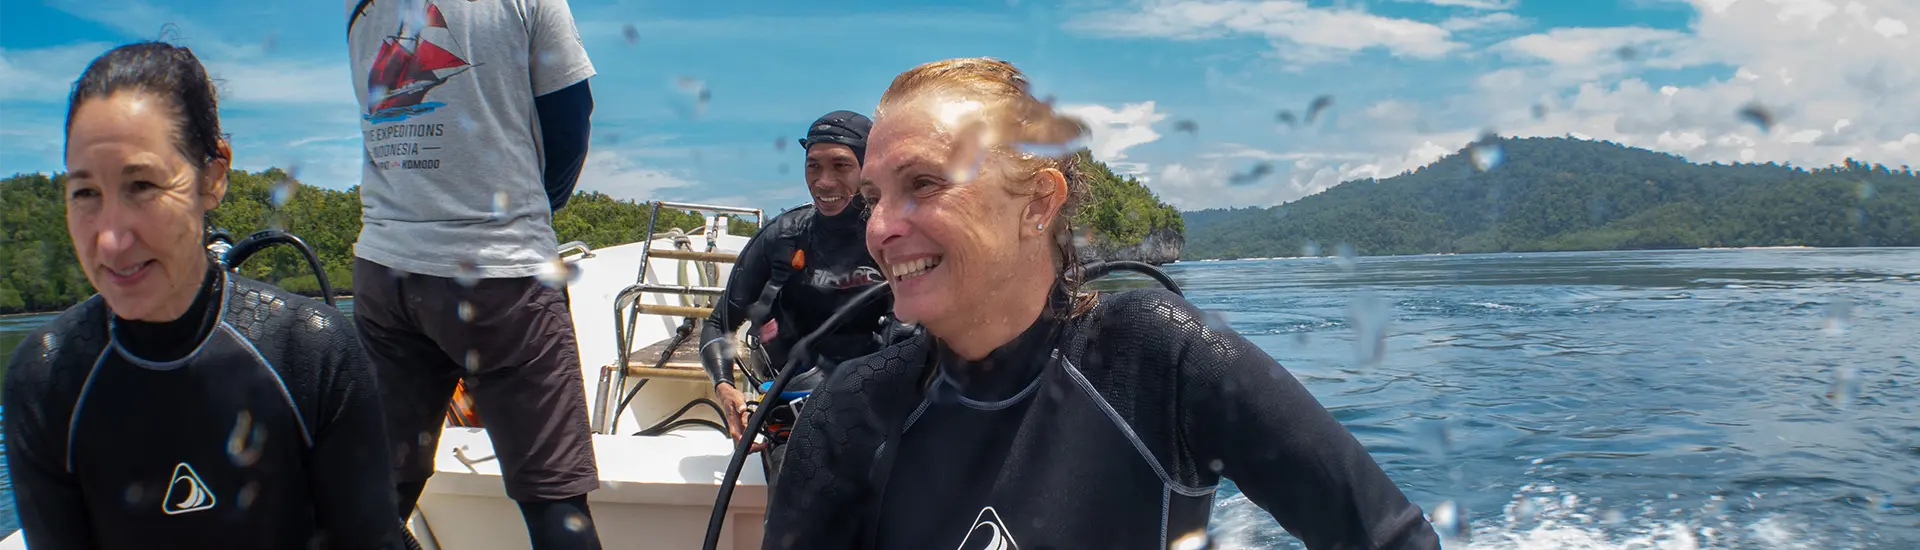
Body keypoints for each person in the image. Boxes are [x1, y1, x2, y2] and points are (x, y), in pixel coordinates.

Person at [761, 58, 1443, 550]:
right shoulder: (849, 412)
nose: (880, 228)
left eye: (924, 185)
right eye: (877, 197)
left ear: (1038, 202)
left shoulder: (1158, 357)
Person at [4, 41, 403, 549]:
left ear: (212, 177)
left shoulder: (311, 353)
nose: (109, 240)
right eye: (85, 193)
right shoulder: (45, 378)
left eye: (142, 185)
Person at [344, 0, 600, 547]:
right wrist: (532, 216)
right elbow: (570, 120)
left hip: (384, 270)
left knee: (379, 493)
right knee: (555, 502)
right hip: (503, 275)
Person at [698, 110, 891, 471]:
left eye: (841, 166)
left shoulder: (894, 238)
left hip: (878, 410)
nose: (824, 182)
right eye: (813, 166)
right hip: (794, 414)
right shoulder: (783, 237)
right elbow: (717, 324)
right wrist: (724, 387)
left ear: (869, 168)